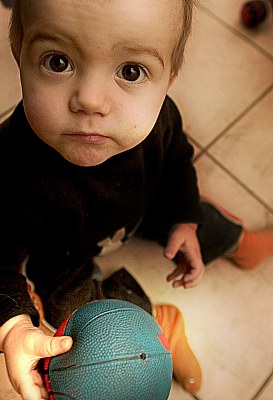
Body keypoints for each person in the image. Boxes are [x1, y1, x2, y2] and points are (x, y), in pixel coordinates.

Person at [0, 1, 273, 399]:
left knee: (194, 215)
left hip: (144, 208)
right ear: (19, 51)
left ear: (169, 78)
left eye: (131, 71)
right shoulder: (9, 164)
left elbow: (179, 162)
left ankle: (238, 242)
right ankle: (159, 327)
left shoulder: (161, 120)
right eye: (57, 62)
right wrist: (11, 326)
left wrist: (184, 221)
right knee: (74, 317)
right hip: (62, 250)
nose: (90, 100)